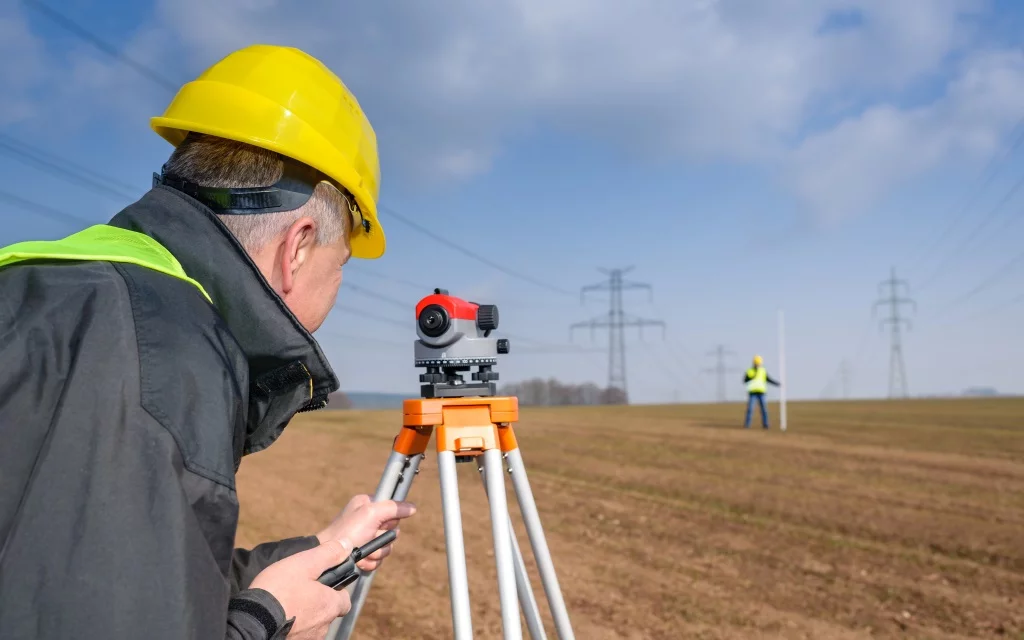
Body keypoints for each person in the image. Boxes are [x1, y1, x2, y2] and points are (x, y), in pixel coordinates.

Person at [0, 45, 416, 640]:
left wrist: (318, 550)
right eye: (342, 263)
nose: (339, 287)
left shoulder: (56, 290)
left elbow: (97, 575)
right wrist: (266, 620)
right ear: (298, 246)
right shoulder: (161, 360)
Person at [742, 354, 780, 429]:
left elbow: (768, 379)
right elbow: (744, 380)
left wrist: (776, 384)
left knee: (764, 410)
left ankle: (766, 425)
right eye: (756, 363)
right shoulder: (749, 371)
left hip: (762, 393)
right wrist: (751, 377)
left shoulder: (763, 371)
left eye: (758, 363)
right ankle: (747, 425)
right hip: (752, 393)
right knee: (750, 409)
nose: (757, 364)